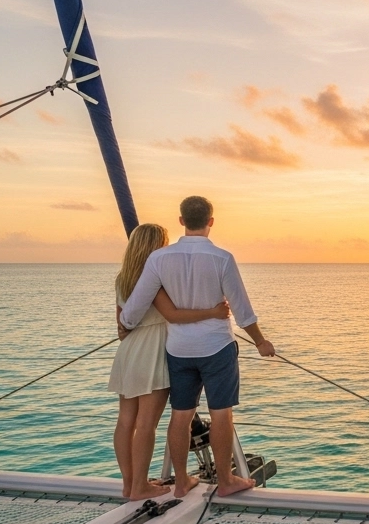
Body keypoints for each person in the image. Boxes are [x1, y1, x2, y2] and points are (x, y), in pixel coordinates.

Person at [120, 196, 275, 498]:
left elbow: (134, 308)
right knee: (221, 413)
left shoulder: (159, 259)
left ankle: (180, 482)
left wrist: (125, 324)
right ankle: (227, 481)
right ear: (211, 222)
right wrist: (260, 341)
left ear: (181, 221)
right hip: (216, 347)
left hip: (178, 349)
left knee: (180, 414)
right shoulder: (222, 258)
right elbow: (243, 311)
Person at [109, 223, 230, 501]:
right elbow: (173, 315)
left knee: (126, 421)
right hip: (152, 351)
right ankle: (139, 485)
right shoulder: (154, 277)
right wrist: (213, 311)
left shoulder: (122, 278)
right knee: (147, 423)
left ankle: (129, 484)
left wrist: (124, 330)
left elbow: (121, 320)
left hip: (129, 350)